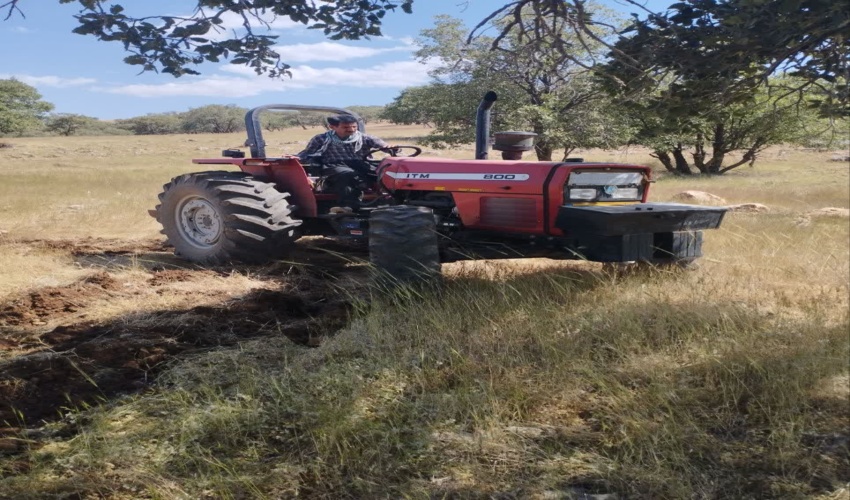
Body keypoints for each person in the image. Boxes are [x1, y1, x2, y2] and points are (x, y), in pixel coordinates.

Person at [296, 114, 394, 212]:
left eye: (354, 126)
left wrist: (390, 148)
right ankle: (348, 206)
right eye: (346, 127)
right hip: (334, 165)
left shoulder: (365, 138)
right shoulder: (321, 138)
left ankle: (393, 200)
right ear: (332, 127)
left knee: (386, 171)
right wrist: (296, 158)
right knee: (347, 175)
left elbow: (383, 146)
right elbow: (308, 152)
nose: (351, 129)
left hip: (360, 164)